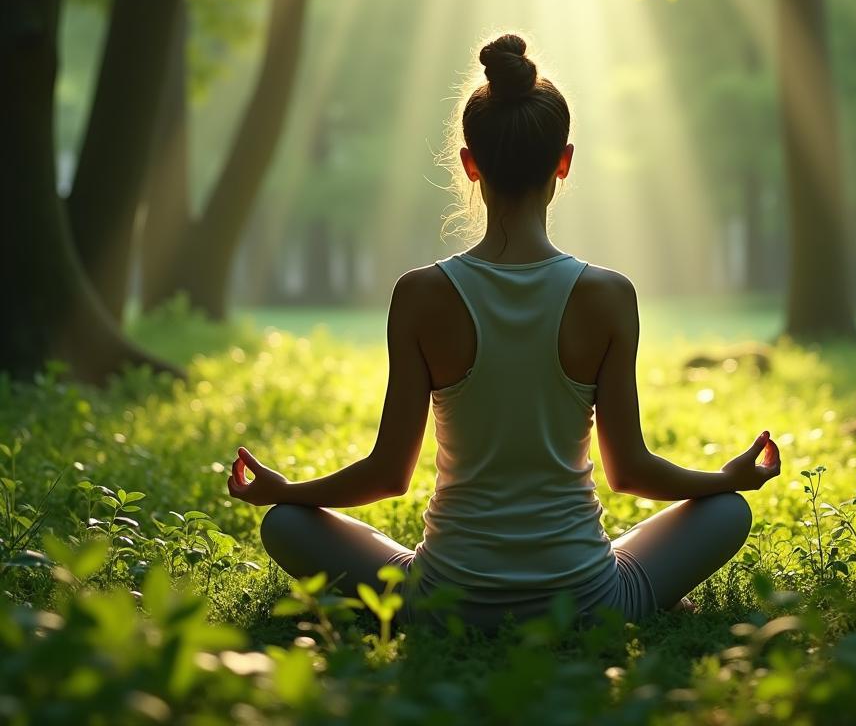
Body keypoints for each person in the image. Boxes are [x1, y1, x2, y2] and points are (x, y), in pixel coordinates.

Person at [227, 33, 782, 634]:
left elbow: (388, 474)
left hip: (442, 606)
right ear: (564, 162)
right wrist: (726, 480)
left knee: (283, 523)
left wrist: (287, 491)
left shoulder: (420, 294)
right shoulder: (608, 295)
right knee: (726, 512)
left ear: (470, 163)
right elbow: (629, 472)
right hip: (589, 604)